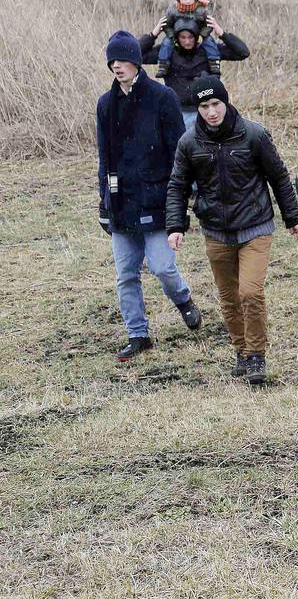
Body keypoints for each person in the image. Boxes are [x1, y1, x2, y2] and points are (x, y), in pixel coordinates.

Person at [165, 77, 298, 385]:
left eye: (216, 104)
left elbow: (278, 177)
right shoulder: (189, 142)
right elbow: (177, 185)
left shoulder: (253, 135)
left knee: (250, 292)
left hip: (255, 225)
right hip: (215, 229)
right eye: (204, 106)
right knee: (228, 297)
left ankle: (256, 354)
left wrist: (291, 217)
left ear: (225, 102)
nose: (211, 112)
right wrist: (176, 225)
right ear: (197, 109)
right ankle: (241, 351)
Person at [96, 30, 202, 361]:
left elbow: (180, 150)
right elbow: (105, 157)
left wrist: (185, 195)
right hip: (121, 203)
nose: (117, 65)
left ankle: (183, 300)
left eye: (124, 59)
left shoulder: (162, 97)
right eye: (112, 60)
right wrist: (104, 203)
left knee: (161, 267)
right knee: (126, 274)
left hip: (158, 199)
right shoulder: (106, 104)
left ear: (137, 62)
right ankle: (138, 334)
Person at [139, 3, 250, 126]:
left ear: (196, 37)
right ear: (176, 37)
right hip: (178, 111)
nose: (187, 41)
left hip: (206, 111)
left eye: (191, 37)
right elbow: (137, 54)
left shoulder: (208, 52)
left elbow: (242, 52)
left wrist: (221, 33)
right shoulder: (167, 54)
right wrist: (153, 34)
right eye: (183, 37)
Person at [152, 0, 221, 77]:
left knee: (210, 42)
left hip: (198, 35)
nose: (188, 1)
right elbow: (166, 25)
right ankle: (163, 65)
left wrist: (202, 35)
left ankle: (214, 63)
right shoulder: (173, 10)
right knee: (166, 43)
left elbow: (209, 24)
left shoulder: (201, 10)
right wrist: (172, 36)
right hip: (178, 36)